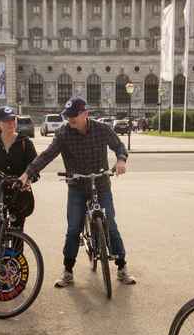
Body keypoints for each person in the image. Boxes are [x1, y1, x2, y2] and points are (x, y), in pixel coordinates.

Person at [21, 96, 136, 287]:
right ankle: (68, 271)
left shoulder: (102, 129)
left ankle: (122, 267)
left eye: (74, 115)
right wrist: (28, 173)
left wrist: (121, 159)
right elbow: (47, 155)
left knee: (111, 225)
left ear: (85, 114)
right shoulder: (63, 133)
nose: (70, 119)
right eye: (68, 116)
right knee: (73, 228)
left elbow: (119, 146)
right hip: (77, 187)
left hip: (101, 184)